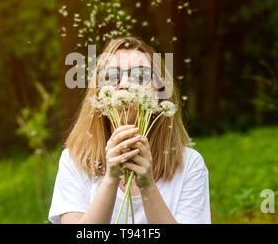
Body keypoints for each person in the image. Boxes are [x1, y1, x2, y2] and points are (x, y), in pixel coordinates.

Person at [48, 36, 211, 224]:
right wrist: (111, 179)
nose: (124, 84)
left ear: (159, 92)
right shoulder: (75, 161)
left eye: (140, 76)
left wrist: (147, 185)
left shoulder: (189, 165)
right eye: (111, 76)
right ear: (98, 92)